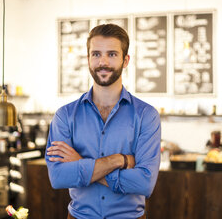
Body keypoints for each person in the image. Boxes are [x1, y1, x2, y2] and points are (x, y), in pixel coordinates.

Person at [45, 24, 161, 219]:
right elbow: (58, 177)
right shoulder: (65, 116)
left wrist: (81, 163)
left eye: (112, 54)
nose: (103, 62)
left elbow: (144, 183)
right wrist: (117, 161)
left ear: (125, 60)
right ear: (88, 59)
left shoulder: (146, 116)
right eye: (96, 54)